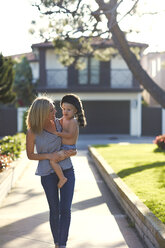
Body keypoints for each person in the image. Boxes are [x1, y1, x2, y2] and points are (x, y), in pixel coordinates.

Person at [26, 95, 77, 248]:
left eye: (54, 108)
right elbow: (30, 155)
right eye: (51, 110)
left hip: (67, 171)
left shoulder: (61, 123)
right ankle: (57, 242)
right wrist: (50, 156)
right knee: (54, 210)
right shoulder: (32, 132)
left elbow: (72, 143)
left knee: (65, 209)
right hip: (47, 174)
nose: (56, 111)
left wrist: (70, 152)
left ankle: (62, 244)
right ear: (41, 113)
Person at [50, 94, 87, 188]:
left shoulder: (73, 122)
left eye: (68, 110)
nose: (65, 112)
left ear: (75, 111)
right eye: (63, 109)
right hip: (63, 147)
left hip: (68, 148)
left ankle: (62, 178)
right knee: (54, 158)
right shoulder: (64, 119)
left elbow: (70, 135)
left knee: (53, 161)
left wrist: (59, 134)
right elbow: (57, 122)